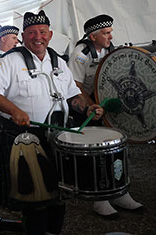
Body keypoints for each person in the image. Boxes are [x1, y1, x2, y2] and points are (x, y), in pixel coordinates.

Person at [0, 10, 104, 235]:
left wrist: (87, 107)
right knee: (36, 201)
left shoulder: (59, 62)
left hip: (58, 138)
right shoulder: (9, 61)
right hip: (24, 140)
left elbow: (72, 96)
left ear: (50, 34)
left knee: (58, 196)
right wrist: (14, 110)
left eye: (42, 32)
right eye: (32, 32)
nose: (38, 37)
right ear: (23, 36)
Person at [68, 14, 143, 219]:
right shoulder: (81, 54)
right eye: (106, 33)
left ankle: (120, 192)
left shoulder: (111, 50)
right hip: (86, 107)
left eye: (110, 32)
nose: (111, 36)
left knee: (117, 148)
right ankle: (100, 199)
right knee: (97, 153)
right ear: (93, 37)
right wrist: (91, 106)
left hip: (107, 105)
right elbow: (75, 86)